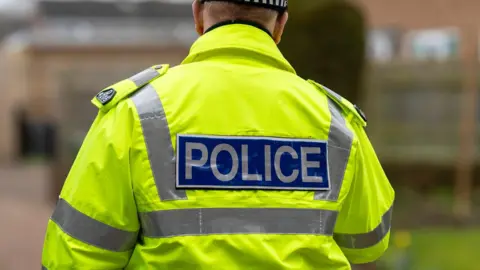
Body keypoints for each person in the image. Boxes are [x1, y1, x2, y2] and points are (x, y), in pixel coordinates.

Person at [41, 0, 394, 269]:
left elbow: (75, 254)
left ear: (197, 13)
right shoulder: (334, 120)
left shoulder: (137, 111)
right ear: (281, 24)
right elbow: (368, 240)